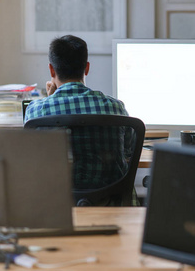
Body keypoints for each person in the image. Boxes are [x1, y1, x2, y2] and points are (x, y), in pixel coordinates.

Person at [25, 35, 136, 205]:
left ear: (51, 70)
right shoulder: (115, 108)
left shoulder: (36, 111)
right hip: (111, 209)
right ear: (87, 68)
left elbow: (33, 159)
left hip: (57, 208)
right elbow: (128, 150)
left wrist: (50, 100)